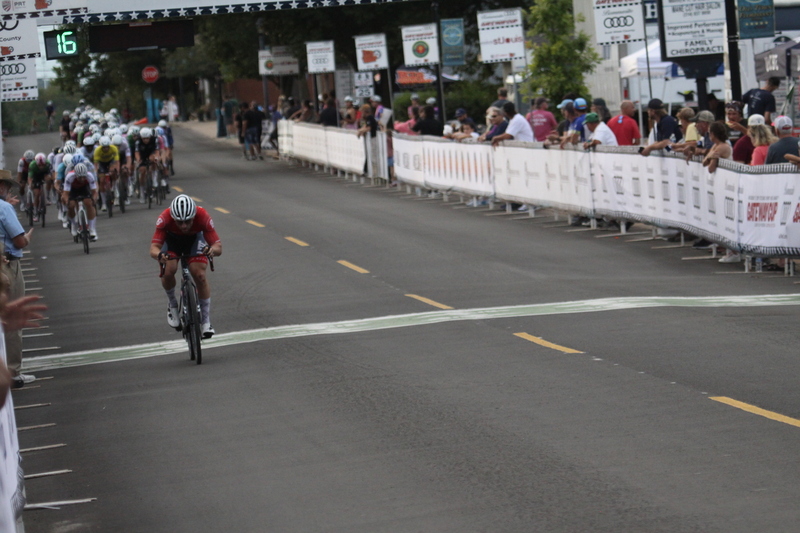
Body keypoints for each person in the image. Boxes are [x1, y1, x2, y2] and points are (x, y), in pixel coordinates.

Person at [150, 195, 222, 338]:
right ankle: (173, 305)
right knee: (169, 270)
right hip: (172, 242)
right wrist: (160, 256)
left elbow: (218, 247)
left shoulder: (203, 216)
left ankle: (206, 322)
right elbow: (154, 248)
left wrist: (211, 250)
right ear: (173, 217)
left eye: (187, 221)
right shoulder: (165, 218)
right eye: (179, 222)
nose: (183, 226)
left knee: (200, 275)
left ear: (194, 216)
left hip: (195, 240)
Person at [0, 170, 35, 388]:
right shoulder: (4, 208)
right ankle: (12, 372)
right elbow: (19, 241)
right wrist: (29, 236)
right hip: (7, 266)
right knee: (12, 319)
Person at [62, 163, 99, 241]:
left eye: (83, 177)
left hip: (84, 188)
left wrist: (94, 200)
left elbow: (94, 192)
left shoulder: (89, 176)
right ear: (76, 175)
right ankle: (74, 225)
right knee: (71, 205)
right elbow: (65, 194)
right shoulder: (70, 176)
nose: (82, 179)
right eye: (80, 177)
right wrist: (67, 201)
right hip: (73, 189)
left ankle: (92, 229)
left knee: (89, 203)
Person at [93, 136, 120, 212]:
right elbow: (96, 164)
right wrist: (96, 173)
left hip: (110, 162)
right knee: (101, 181)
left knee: (113, 172)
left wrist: (117, 171)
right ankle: (104, 203)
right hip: (102, 164)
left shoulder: (113, 148)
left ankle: (115, 191)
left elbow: (117, 162)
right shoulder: (97, 150)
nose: (106, 149)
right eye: (104, 147)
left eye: (107, 147)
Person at [134, 127, 161, 203]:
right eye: (144, 139)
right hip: (142, 155)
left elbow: (157, 150)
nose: (146, 140)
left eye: (147, 138)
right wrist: (138, 159)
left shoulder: (154, 140)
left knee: (153, 160)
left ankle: (154, 178)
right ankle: (142, 192)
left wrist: (156, 157)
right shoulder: (138, 142)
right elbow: (137, 152)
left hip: (151, 153)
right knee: (142, 171)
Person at [27, 153, 51, 222]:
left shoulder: (48, 163)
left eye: (43, 165)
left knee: (49, 180)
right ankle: (35, 212)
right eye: (39, 165)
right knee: (37, 194)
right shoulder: (32, 165)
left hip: (44, 174)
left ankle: (47, 196)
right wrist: (30, 184)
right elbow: (30, 177)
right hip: (35, 176)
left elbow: (50, 173)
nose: (41, 167)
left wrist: (49, 179)